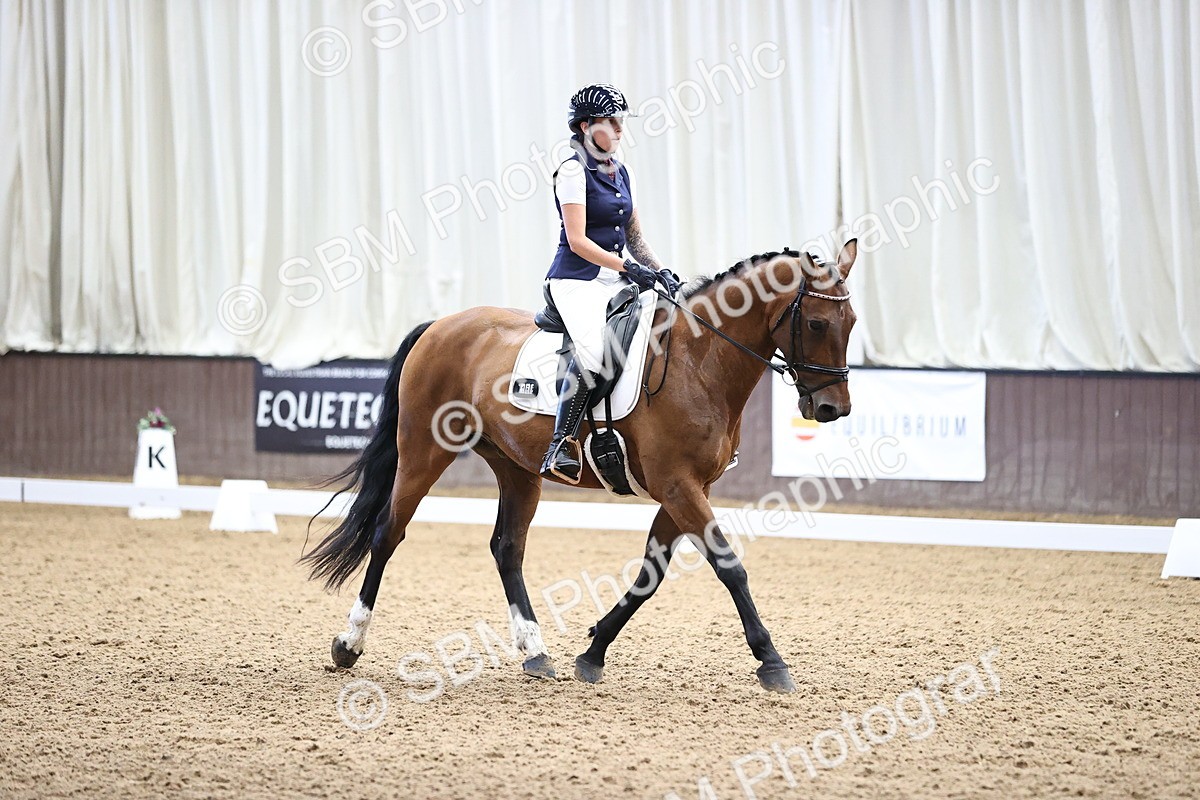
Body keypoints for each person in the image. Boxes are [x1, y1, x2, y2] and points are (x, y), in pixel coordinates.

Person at [539, 83, 680, 484]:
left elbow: (635, 237)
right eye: (611, 121)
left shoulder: (623, 171)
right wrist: (628, 268)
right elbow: (578, 241)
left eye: (621, 121)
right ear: (586, 127)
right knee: (593, 349)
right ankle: (561, 443)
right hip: (576, 279)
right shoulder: (571, 171)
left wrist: (661, 270)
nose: (619, 129)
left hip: (615, 279)